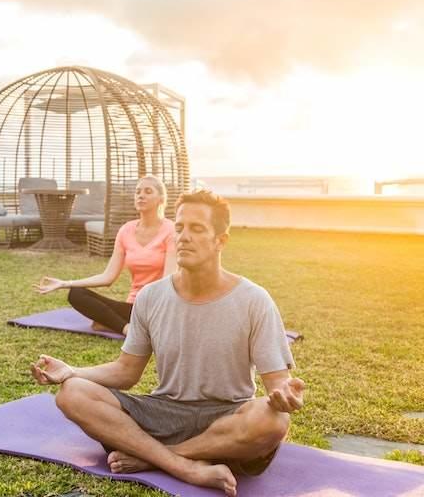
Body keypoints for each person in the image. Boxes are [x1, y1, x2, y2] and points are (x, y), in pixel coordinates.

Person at [31, 190, 304, 496]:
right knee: (72, 393)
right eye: (179, 228)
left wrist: (284, 395)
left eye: (197, 229)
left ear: (220, 240)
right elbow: (126, 372)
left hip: (227, 418)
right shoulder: (151, 296)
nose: (184, 237)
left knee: (274, 421)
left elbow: (278, 384)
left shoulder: (254, 300)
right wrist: (73, 371)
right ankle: (184, 466)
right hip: (163, 412)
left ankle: (154, 457)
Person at [35, 175, 177, 335]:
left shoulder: (171, 230)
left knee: (151, 315)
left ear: (161, 198)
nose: (141, 195)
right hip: (133, 307)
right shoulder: (126, 230)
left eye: (148, 191)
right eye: (138, 192)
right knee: (76, 293)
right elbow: (108, 277)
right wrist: (64, 283)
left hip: (158, 307)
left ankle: (113, 323)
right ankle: (127, 329)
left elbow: (167, 283)